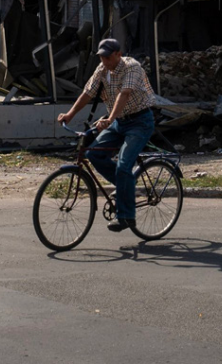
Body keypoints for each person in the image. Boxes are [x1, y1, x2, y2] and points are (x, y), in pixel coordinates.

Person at [56, 38, 156, 232]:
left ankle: (126, 216)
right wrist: (70, 114)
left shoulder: (131, 67)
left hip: (139, 122)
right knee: (93, 154)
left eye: (108, 57)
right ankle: (125, 186)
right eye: (102, 57)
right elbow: (87, 93)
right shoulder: (102, 69)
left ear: (118, 54)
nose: (105, 62)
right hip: (119, 121)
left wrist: (109, 119)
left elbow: (124, 94)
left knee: (123, 165)